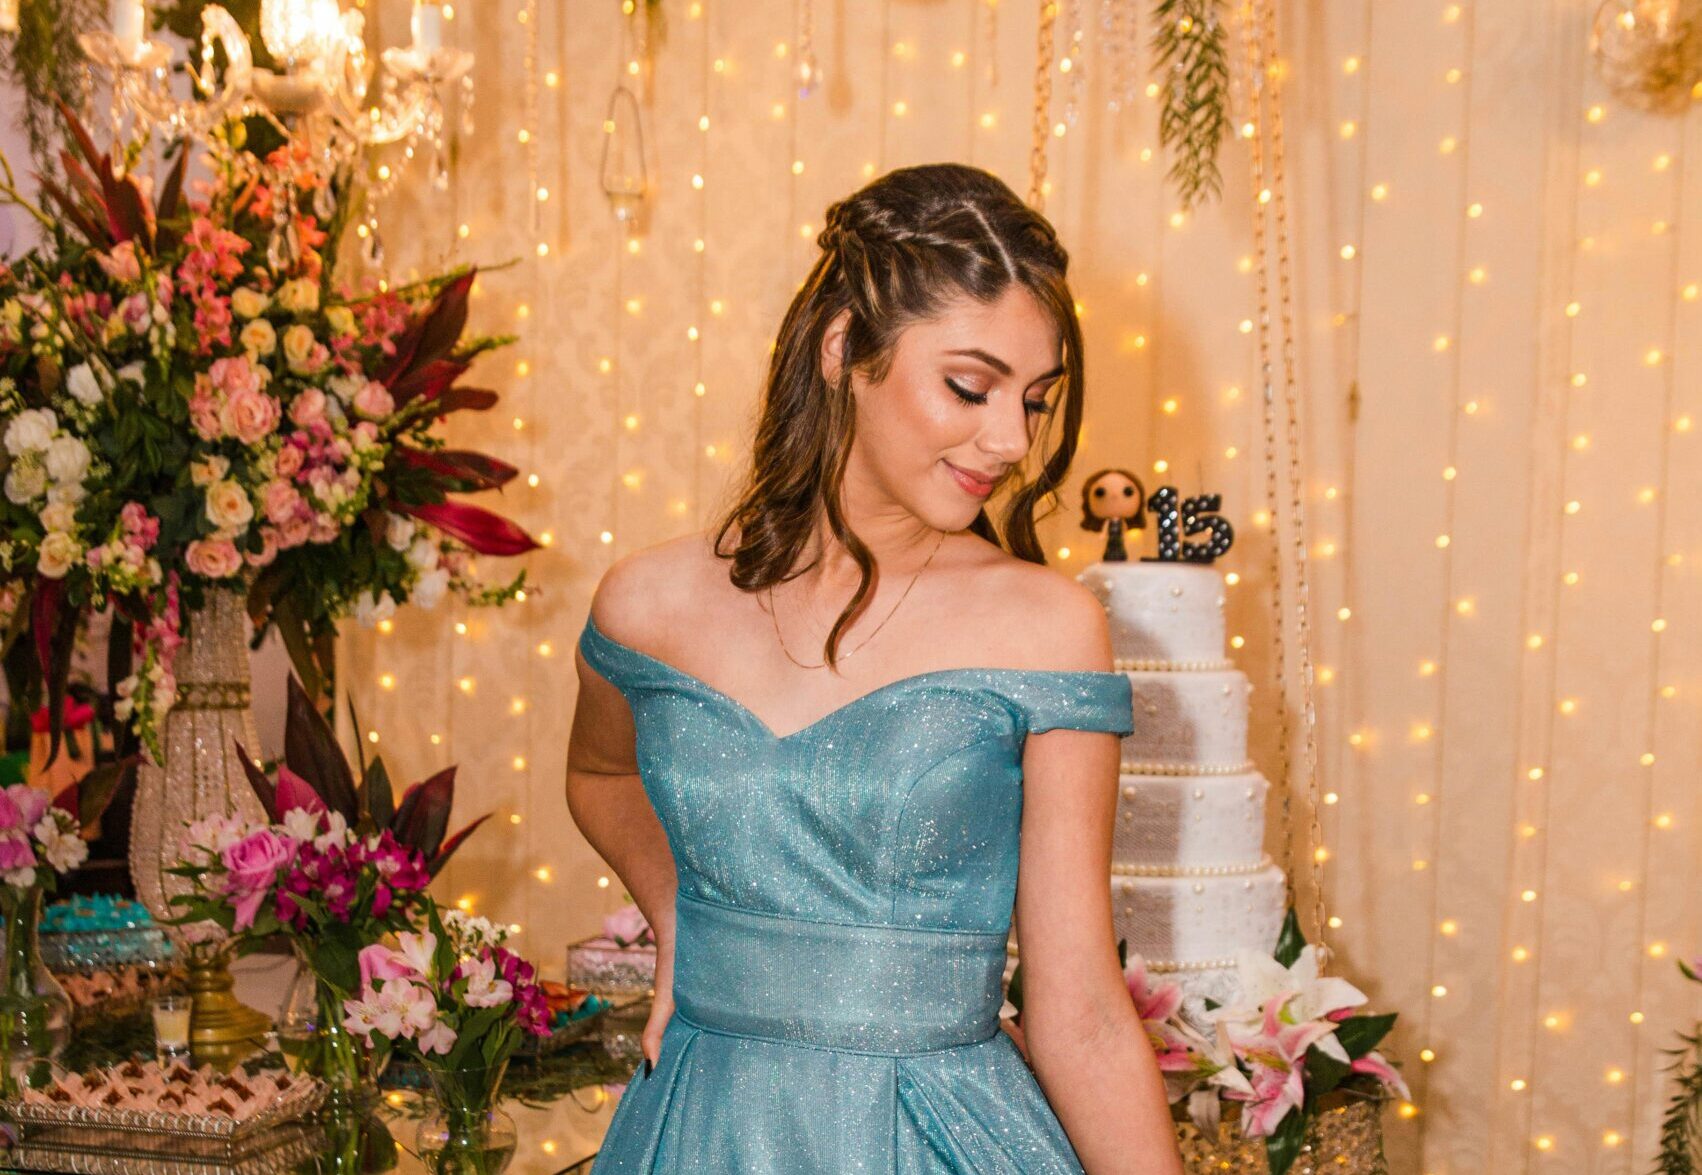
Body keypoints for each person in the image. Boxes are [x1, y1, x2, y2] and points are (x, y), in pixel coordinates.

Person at [566, 163, 1183, 1173]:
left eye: (1036, 399)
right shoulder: (647, 601)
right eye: (970, 386)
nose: (1011, 439)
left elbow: (1077, 1010)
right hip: (694, 1125)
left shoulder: (1045, 626)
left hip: (940, 1137)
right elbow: (598, 773)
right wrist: (676, 913)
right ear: (845, 344)